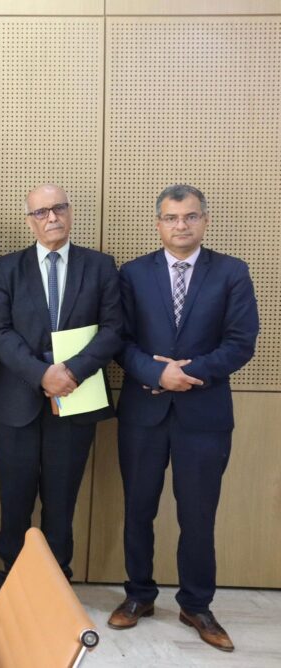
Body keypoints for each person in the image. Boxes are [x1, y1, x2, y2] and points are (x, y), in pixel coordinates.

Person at [108, 185, 258, 652]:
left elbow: (241, 342)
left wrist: (185, 374)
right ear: (159, 223)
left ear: (204, 221)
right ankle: (139, 595)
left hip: (204, 414)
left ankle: (196, 604)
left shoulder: (231, 272)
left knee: (198, 515)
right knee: (139, 508)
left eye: (190, 217)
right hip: (143, 412)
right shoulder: (133, 273)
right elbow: (119, 340)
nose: (181, 225)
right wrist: (157, 373)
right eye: (172, 218)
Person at [0, 184, 122, 586]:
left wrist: (73, 372)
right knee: (14, 498)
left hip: (76, 399)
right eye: (41, 212)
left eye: (59, 208)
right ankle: (13, 579)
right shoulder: (6, 269)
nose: (52, 218)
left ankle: (56, 581)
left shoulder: (99, 266)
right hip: (16, 403)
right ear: (30, 220)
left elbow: (114, 329)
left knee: (62, 500)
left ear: (70, 212)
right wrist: (41, 374)